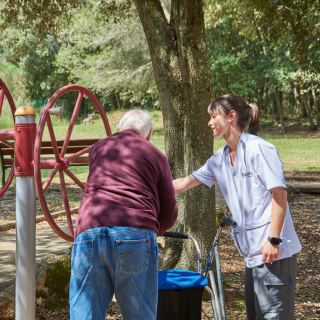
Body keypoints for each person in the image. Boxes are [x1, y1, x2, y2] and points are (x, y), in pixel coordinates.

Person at [173, 94, 302, 320]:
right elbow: (184, 183)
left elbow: (279, 194)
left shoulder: (259, 148)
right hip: (252, 256)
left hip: (274, 252)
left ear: (231, 116)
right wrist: (147, 185)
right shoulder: (219, 159)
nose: (209, 122)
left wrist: (274, 240)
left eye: (214, 116)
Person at [69, 109, 178, 320]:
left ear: (117, 129)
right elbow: (169, 212)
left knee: (84, 313)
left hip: (89, 231)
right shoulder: (155, 155)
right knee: (139, 314)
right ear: (149, 134)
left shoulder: (98, 149)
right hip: (135, 233)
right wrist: (156, 231)